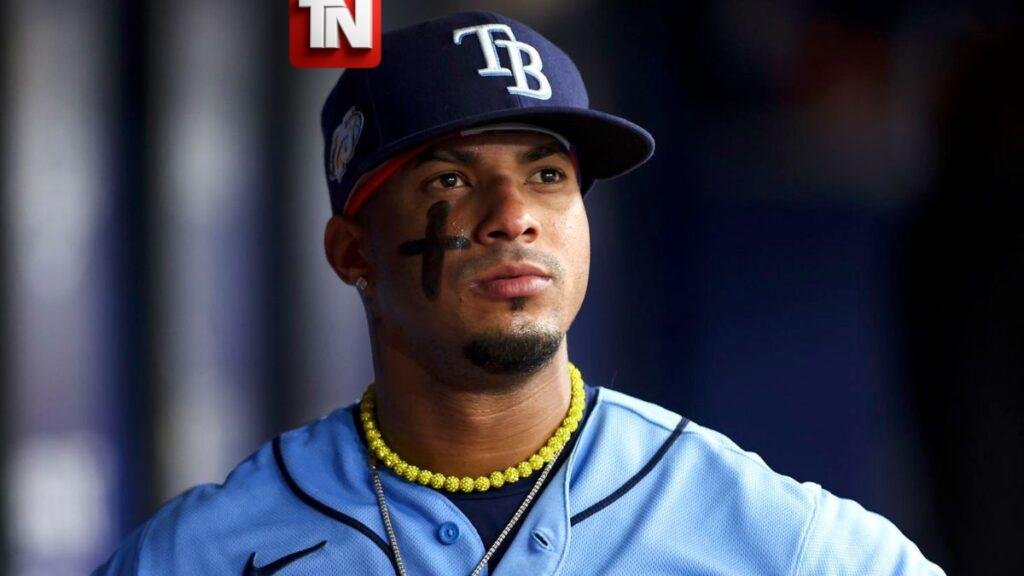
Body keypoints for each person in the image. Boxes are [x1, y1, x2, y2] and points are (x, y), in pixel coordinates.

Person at [95, 11, 944, 575]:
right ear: (353, 253)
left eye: (546, 176)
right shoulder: (210, 551)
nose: (514, 217)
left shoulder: (763, 531)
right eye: (449, 180)